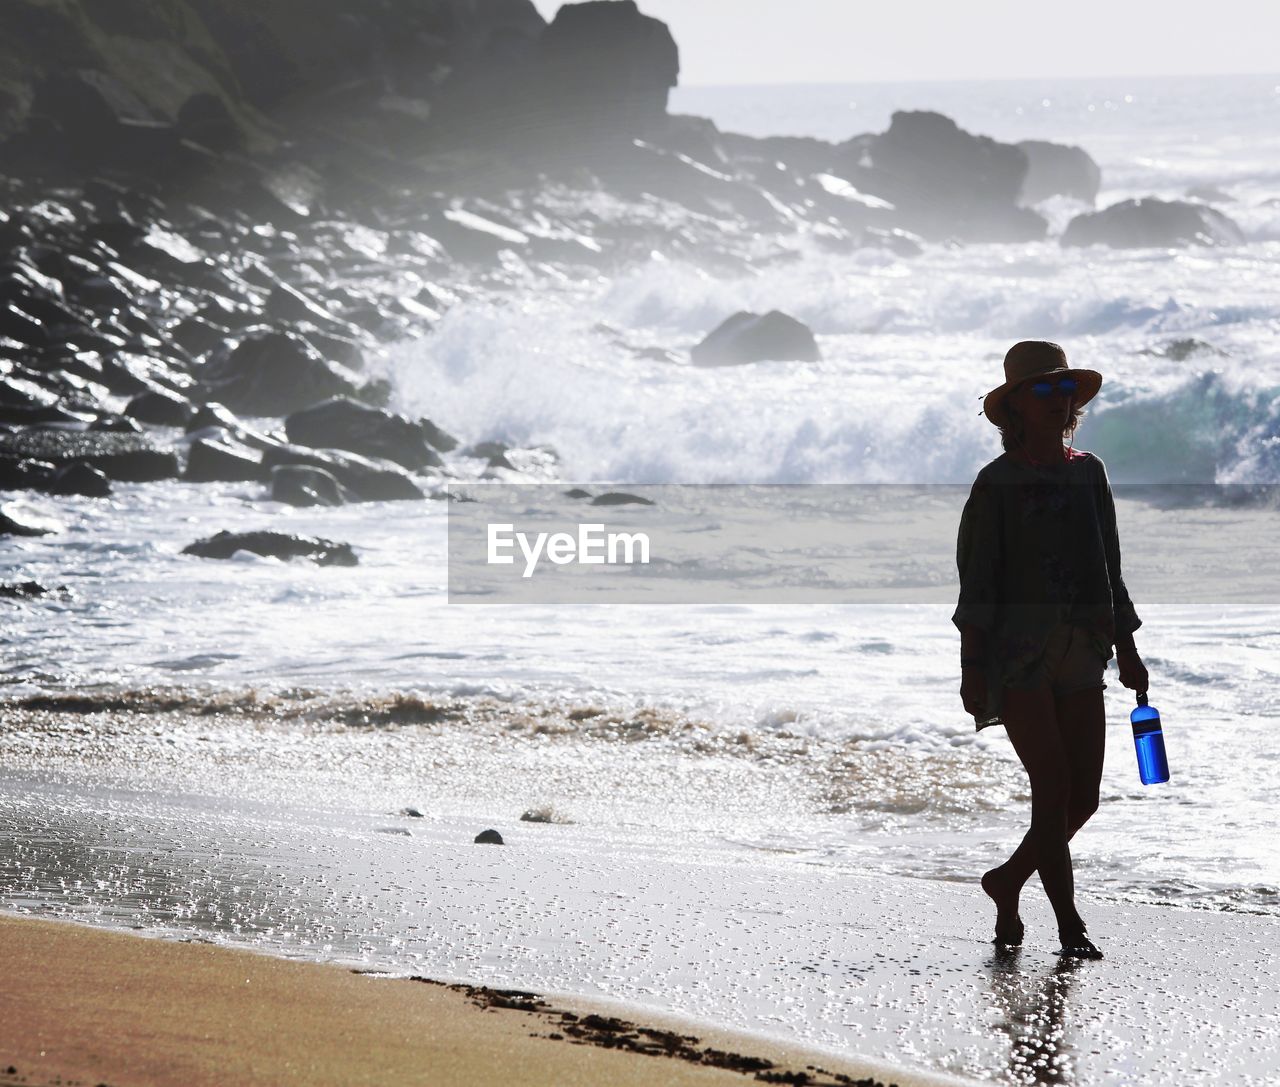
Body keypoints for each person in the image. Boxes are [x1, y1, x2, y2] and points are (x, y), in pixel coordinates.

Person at [952, 340, 1149, 960]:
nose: (1058, 400)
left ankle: (1007, 880)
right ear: (1014, 406)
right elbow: (977, 582)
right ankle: (1069, 925)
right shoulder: (997, 483)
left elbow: (1110, 565)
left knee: (1082, 797)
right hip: (1018, 655)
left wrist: (1130, 648)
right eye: (1042, 390)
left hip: (1084, 646)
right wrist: (972, 667)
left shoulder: (1090, 471)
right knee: (1052, 785)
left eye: (1064, 389)